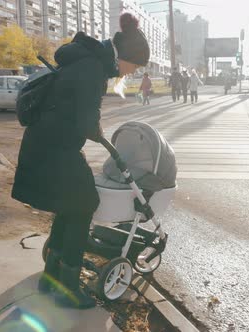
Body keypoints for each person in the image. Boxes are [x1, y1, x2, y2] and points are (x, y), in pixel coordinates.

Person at [12, 12, 149, 309]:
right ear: (124, 56)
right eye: (134, 66)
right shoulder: (93, 69)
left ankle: (52, 278)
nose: (132, 72)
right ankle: (69, 287)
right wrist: (98, 131)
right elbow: (86, 121)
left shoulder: (88, 62)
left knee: (70, 206)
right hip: (55, 149)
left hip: (49, 145)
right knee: (84, 202)